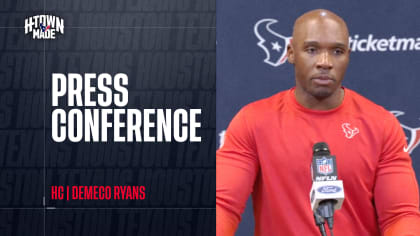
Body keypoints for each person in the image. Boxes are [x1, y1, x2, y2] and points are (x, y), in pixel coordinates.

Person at [216, 9, 420, 236]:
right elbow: (222, 204)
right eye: (312, 50)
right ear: (291, 53)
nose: (325, 62)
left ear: (348, 56)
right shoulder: (253, 121)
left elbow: (401, 215)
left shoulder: (382, 125)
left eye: (337, 51)